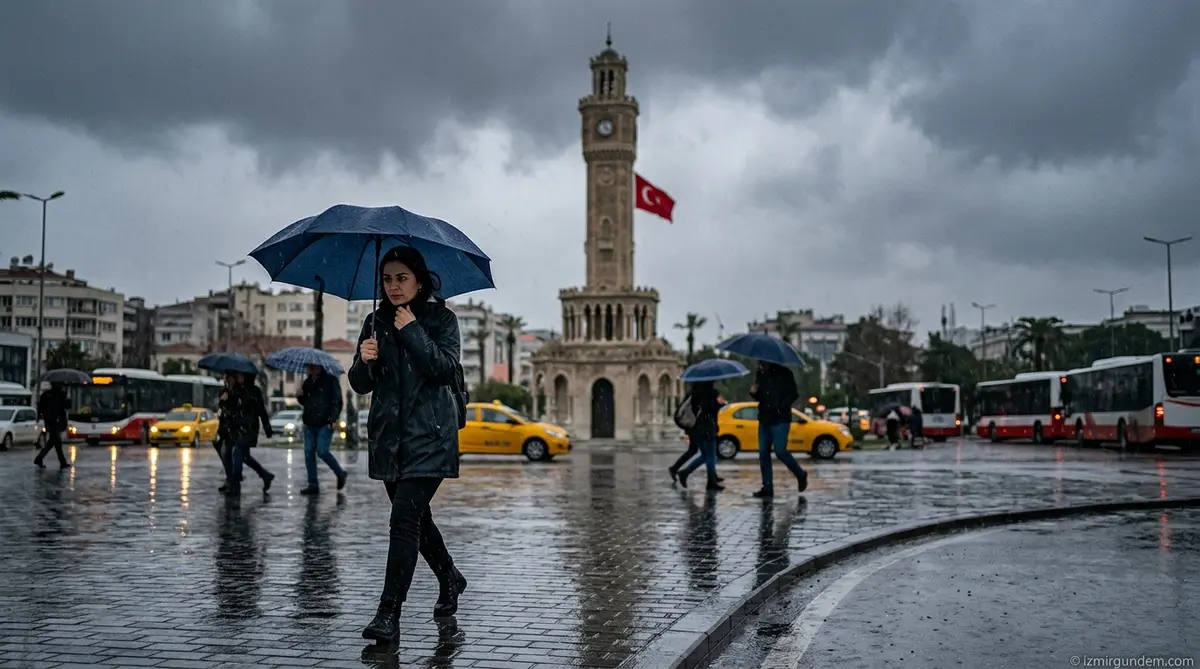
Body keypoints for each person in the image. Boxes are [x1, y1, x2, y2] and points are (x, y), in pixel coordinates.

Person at [348, 245, 467, 644]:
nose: (394, 286)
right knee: (417, 519)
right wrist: (364, 361)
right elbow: (360, 385)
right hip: (389, 440)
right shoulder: (374, 321)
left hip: (431, 435)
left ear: (419, 280)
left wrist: (412, 329)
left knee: (403, 520)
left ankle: (388, 614)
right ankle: (448, 575)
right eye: (387, 279)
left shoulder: (441, 319)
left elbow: (444, 369)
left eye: (402, 278)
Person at [750, 361, 808, 497]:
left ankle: (800, 474)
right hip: (764, 418)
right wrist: (754, 393)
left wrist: (780, 407)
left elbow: (794, 394)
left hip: (780, 419)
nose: (760, 363)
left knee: (780, 451)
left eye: (762, 361)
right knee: (763, 453)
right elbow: (760, 396)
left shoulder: (785, 373)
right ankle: (767, 487)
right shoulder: (760, 374)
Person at [297, 362, 347, 495]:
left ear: (320, 366)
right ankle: (313, 484)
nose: (312, 369)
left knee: (322, 451)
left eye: (314, 366)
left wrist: (333, 418)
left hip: (325, 422)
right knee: (308, 453)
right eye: (310, 367)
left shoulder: (330, 380)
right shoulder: (307, 382)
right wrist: (300, 395)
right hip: (309, 422)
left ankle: (340, 473)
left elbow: (338, 401)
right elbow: (304, 402)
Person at [672, 381, 723, 491]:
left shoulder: (693, 392)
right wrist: (719, 404)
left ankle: (708, 479)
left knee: (706, 454)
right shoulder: (709, 393)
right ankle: (689, 474)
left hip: (698, 428)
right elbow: (710, 409)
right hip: (707, 426)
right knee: (709, 455)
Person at [34, 382, 70, 469]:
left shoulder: (45, 395)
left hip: (50, 421)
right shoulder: (60, 395)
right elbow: (65, 406)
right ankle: (39, 459)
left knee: (54, 442)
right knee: (55, 441)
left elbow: (40, 408)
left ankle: (61, 462)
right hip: (55, 421)